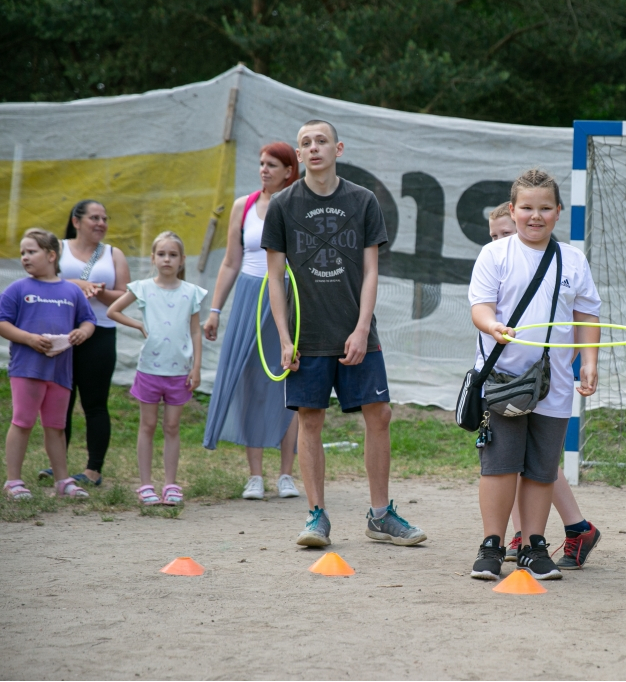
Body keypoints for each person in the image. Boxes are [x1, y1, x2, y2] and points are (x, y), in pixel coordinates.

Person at [262, 119, 426, 547]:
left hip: (357, 332)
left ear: (339, 147)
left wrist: (360, 328)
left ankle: (380, 515)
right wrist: (284, 337)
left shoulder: (363, 200)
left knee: (380, 414)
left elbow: (372, 271)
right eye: (305, 143)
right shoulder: (281, 205)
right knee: (309, 420)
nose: (313, 148)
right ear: (298, 156)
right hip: (305, 335)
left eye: (321, 141)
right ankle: (317, 517)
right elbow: (275, 278)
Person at [468, 169, 602, 581]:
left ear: (559, 212)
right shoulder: (495, 254)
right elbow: (480, 307)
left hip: (556, 383)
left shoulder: (573, 259)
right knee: (501, 465)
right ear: (513, 210)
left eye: (545, 208)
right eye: (527, 208)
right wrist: (492, 327)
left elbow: (587, 314)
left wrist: (590, 361)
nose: (535, 216)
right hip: (504, 380)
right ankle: (492, 544)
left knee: (542, 468)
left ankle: (532, 545)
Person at [203, 143, 301, 501]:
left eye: (272, 165)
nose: (264, 170)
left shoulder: (298, 205)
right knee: (250, 384)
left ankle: (286, 475)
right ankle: (255, 476)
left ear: (290, 170)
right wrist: (215, 310)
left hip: (287, 298)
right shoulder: (243, 206)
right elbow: (231, 261)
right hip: (248, 297)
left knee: (289, 385)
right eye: (261, 163)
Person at [107, 231, 206, 506]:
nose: (167, 259)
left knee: (172, 426)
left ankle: (171, 484)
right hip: (149, 369)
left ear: (182, 260)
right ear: (153, 258)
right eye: (161, 254)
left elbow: (196, 332)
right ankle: (146, 485)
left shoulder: (191, 293)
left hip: (179, 372)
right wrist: (138, 324)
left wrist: (196, 368)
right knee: (148, 425)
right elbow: (112, 311)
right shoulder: (142, 288)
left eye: (173, 255)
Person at [38, 200, 130, 488]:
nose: (101, 223)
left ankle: (93, 471)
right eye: (94, 217)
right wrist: (75, 284)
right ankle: (58, 466)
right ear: (76, 222)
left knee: (95, 404)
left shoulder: (114, 254)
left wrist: (99, 292)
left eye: (105, 218)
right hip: (62, 334)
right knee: (59, 401)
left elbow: (125, 296)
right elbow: (42, 281)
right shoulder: (58, 249)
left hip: (101, 333)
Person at [2, 229, 95, 500]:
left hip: (60, 372)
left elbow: (88, 320)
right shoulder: (18, 288)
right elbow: (2, 321)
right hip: (27, 370)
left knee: (56, 426)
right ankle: (13, 482)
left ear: (51, 255)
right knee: (22, 422)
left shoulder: (71, 291)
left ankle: (63, 480)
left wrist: (83, 332)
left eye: (31, 251)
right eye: (22, 253)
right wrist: (28, 339)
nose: (25, 258)